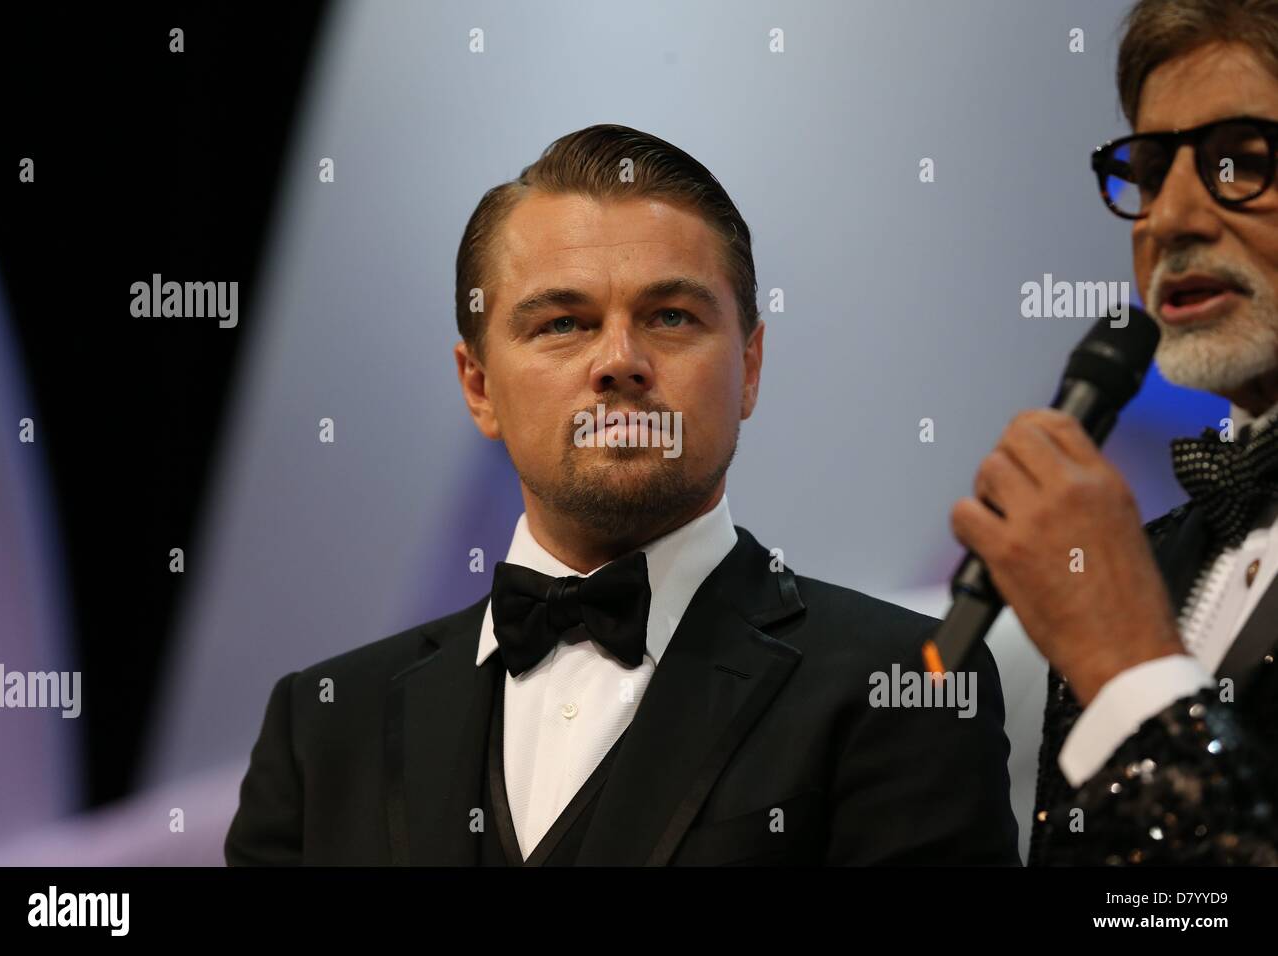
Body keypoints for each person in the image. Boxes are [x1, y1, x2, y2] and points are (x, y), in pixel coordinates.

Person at [225, 123, 1018, 865]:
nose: (620, 360)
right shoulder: (322, 723)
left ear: (749, 367)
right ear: (479, 387)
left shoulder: (906, 686)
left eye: (671, 316)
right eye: (563, 323)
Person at [956, 0, 1278, 865]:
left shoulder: (1112, 611)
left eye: (1241, 162)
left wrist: (1127, 662)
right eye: (1147, 170)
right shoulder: (1147, 561)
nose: (1167, 220)